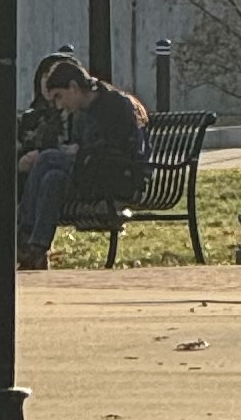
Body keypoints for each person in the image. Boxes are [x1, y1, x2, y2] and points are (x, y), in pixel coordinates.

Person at [18, 54, 150, 267]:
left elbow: (117, 149)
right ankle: (37, 249)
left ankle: (23, 233)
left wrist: (79, 152)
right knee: (53, 178)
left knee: (47, 158)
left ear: (74, 87)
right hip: (93, 172)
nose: (60, 105)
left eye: (60, 97)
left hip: (116, 176)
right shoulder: (84, 110)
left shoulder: (114, 105)